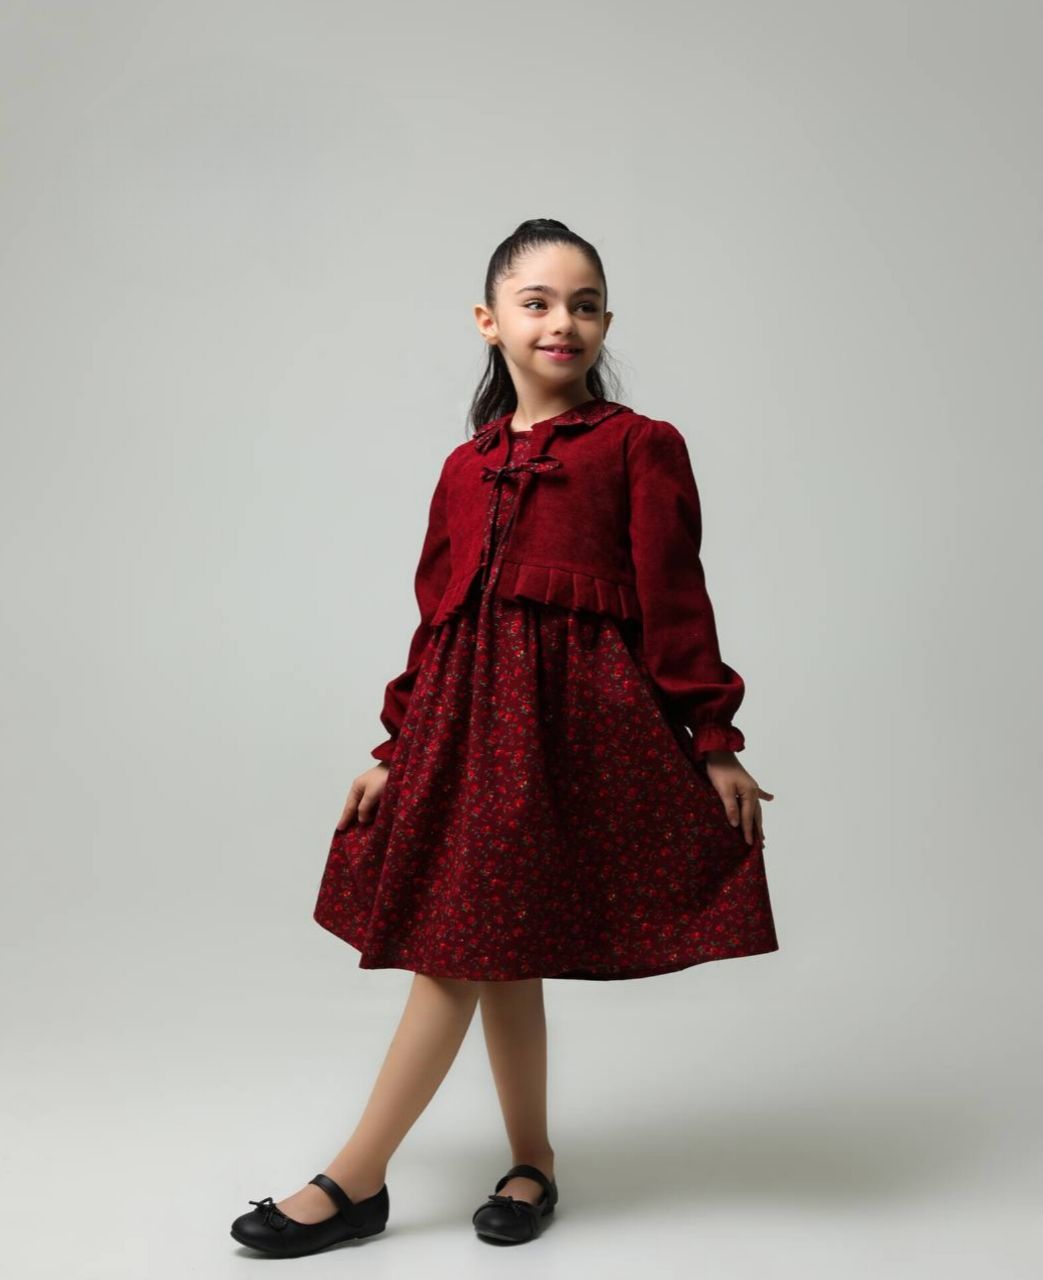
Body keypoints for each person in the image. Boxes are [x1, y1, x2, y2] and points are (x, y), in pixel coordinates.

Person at [230, 217, 779, 1257]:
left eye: (583, 304)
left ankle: (358, 1178)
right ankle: (531, 1163)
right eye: (536, 302)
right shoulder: (462, 466)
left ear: (605, 321)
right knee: (487, 943)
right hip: (464, 729)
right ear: (489, 322)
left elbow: (676, 600)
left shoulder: (638, 446)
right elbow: (436, 618)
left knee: (466, 944)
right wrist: (394, 749)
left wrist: (713, 736)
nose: (561, 322)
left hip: (571, 731)